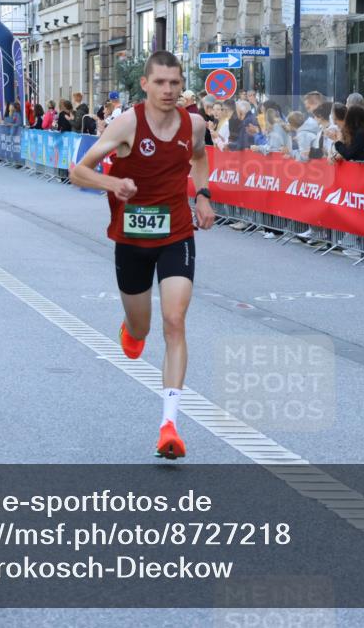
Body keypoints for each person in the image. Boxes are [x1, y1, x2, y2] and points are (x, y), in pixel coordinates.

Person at [69, 51, 215, 460]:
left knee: (175, 320)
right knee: (142, 327)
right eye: (161, 83)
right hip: (132, 239)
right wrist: (113, 184)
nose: (169, 90)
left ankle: (169, 425)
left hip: (176, 233)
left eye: (175, 83)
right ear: (146, 85)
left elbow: (200, 158)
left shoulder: (194, 124)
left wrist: (202, 195)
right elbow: (79, 171)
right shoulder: (128, 122)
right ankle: (132, 332)